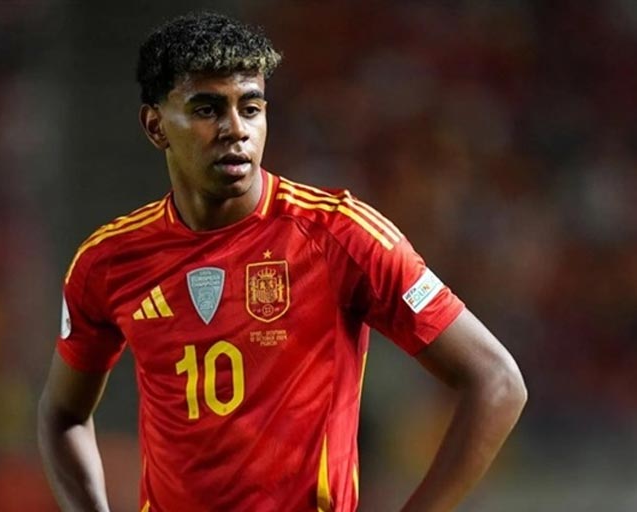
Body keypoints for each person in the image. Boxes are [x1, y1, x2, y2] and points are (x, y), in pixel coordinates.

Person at [37, 11, 527, 512]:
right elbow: (62, 415)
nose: (235, 129)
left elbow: (497, 381)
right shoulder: (108, 262)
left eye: (250, 108)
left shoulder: (340, 235)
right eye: (207, 109)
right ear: (155, 126)